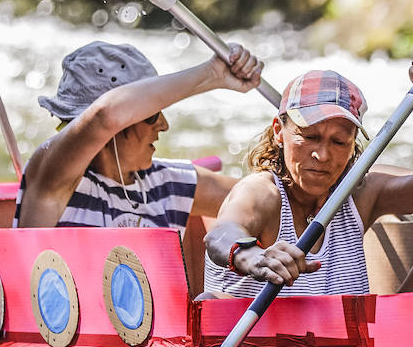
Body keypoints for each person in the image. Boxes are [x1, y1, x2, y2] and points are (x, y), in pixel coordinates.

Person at [203, 39, 413, 297]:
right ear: (279, 133)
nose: (322, 155)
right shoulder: (261, 192)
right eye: (309, 137)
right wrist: (254, 257)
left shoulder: (361, 193)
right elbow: (220, 236)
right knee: (209, 298)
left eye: (339, 142)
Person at [14, 40, 263, 230]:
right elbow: (105, 117)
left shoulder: (166, 183)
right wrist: (212, 74)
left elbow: (264, 200)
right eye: (152, 114)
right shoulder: (52, 180)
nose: (164, 125)